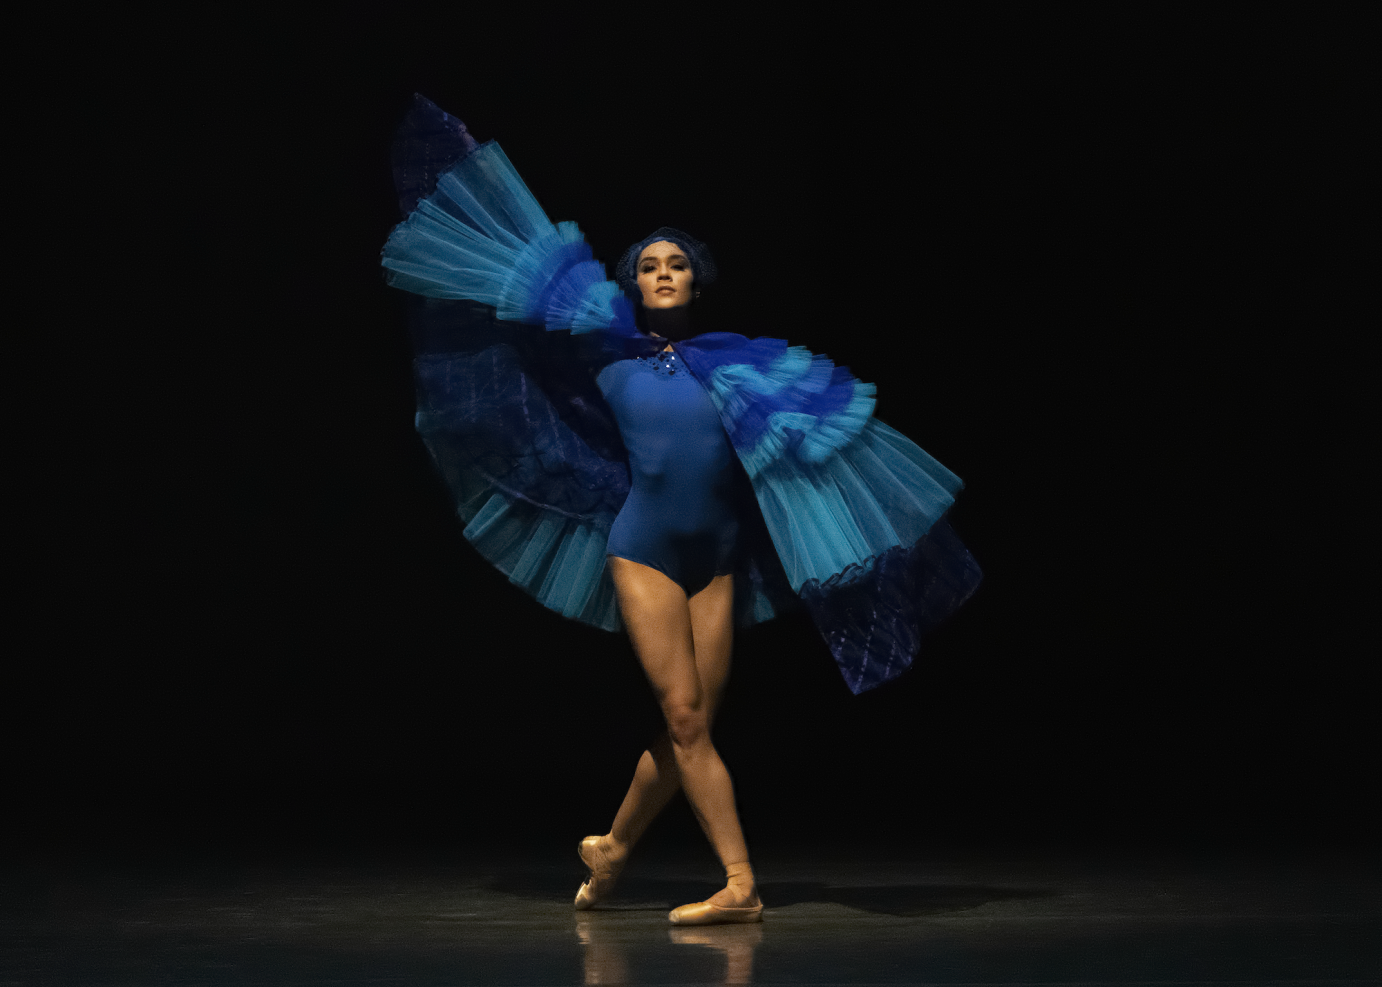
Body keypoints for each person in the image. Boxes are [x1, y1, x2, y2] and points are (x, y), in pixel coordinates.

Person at [381, 96, 982, 926]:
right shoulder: (605, 355)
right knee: (687, 716)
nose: (662, 273)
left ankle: (616, 847)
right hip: (646, 550)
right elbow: (518, 314)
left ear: (697, 278)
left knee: (688, 725)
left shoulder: (742, 366)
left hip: (721, 558)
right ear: (632, 282)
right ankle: (741, 883)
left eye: (676, 264)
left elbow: (817, 445)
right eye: (649, 265)